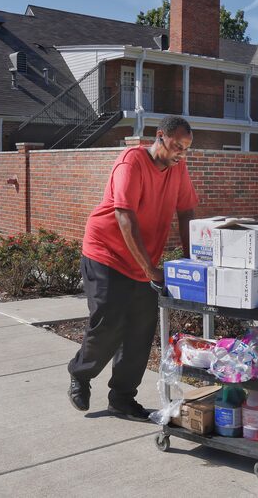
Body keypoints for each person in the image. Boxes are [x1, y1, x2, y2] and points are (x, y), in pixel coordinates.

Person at [67, 115, 198, 421]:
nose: (181, 152)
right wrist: (151, 270)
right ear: (160, 136)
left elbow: (187, 211)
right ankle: (80, 374)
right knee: (109, 321)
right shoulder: (131, 162)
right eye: (177, 145)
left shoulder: (178, 168)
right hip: (106, 253)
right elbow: (125, 216)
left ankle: (122, 399)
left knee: (141, 329)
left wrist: (193, 262)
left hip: (143, 261)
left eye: (187, 148)